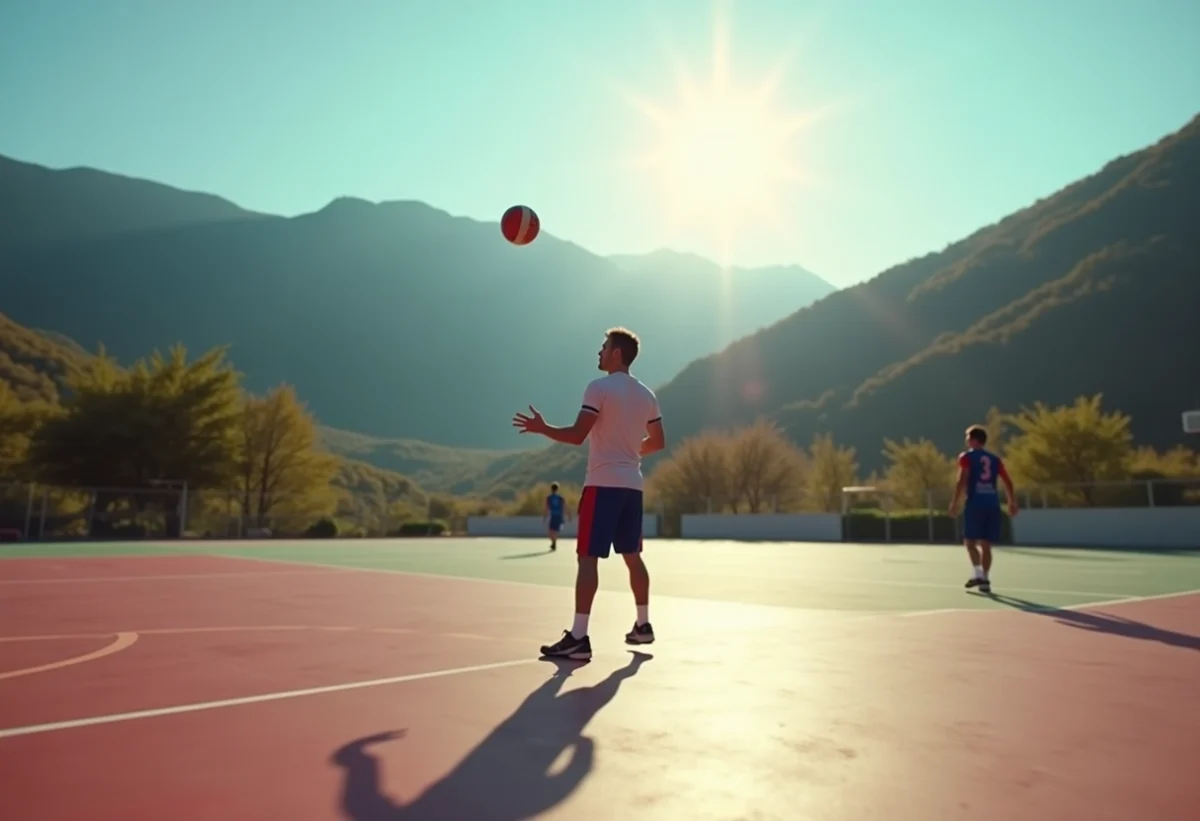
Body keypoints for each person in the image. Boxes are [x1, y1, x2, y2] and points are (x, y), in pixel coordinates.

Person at [512, 327, 665, 660]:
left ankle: (579, 637)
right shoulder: (646, 395)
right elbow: (658, 441)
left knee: (587, 558)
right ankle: (643, 625)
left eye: (604, 347)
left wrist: (543, 428)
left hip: (603, 485)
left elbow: (578, 435)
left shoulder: (598, 388)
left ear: (616, 354)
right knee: (633, 556)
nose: (599, 352)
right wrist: (629, 453)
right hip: (632, 487)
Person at [949, 425, 1018, 594]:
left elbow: (962, 480)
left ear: (973, 439)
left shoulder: (966, 457)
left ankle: (978, 573)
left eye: (967, 437)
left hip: (975, 503)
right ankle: (985, 579)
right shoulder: (994, 459)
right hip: (992, 504)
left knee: (970, 542)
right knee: (986, 545)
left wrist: (954, 501)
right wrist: (1011, 501)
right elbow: (1008, 481)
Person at [544, 482, 567, 551]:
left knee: (552, 531)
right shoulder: (557, 498)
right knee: (553, 531)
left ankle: (554, 542)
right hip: (557, 516)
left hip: (555, 516)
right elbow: (564, 507)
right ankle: (554, 542)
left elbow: (546, 508)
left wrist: (545, 516)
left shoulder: (554, 498)